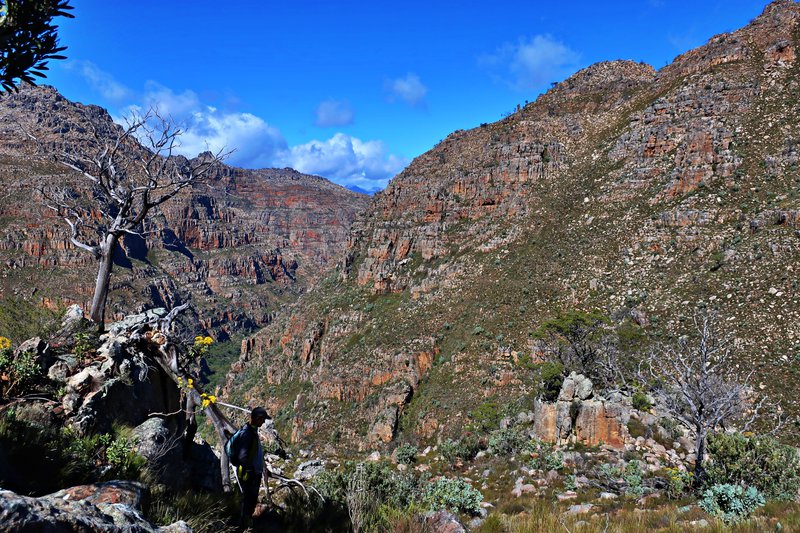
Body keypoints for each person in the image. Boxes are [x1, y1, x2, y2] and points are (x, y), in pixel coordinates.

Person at [236, 406, 269, 526]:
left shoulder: (252, 431)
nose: (264, 422)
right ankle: (245, 524)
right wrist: (250, 471)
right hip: (249, 475)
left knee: (249, 499)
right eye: (263, 419)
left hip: (253, 472)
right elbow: (242, 456)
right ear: (258, 418)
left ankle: (246, 521)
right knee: (248, 499)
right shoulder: (247, 433)